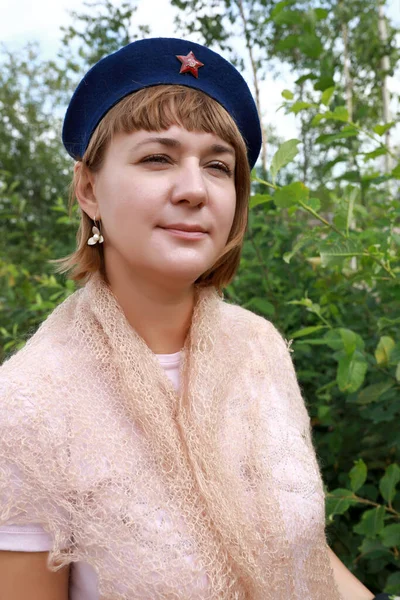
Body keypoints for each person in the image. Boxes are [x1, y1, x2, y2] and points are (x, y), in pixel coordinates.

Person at [0, 37, 391, 600]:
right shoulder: (28, 410)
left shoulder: (258, 348)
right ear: (89, 188)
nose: (193, 190)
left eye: (217, 166)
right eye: (157, 158)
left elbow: (299, 549)